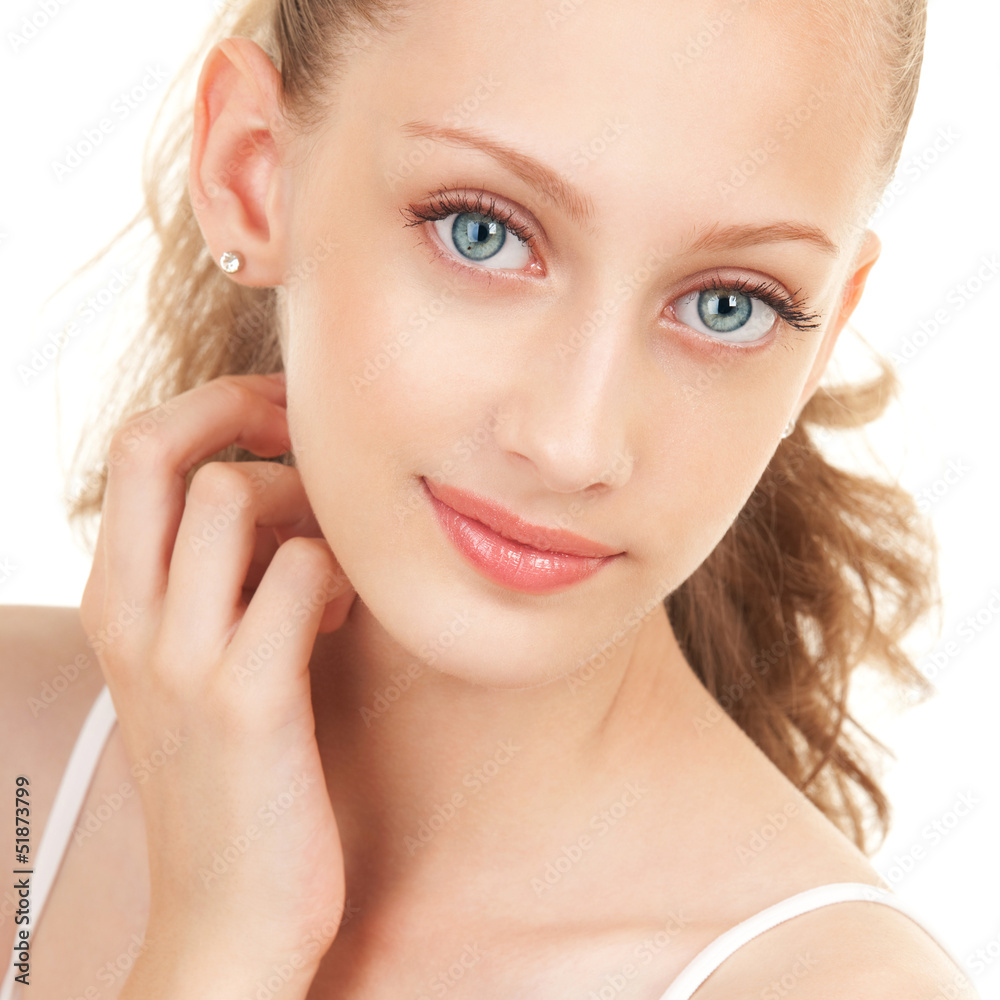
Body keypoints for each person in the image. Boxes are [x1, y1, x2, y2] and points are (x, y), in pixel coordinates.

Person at [0, 0, 984, 997]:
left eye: (727, 304)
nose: (572, 444)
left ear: (819, 342)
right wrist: (221, 928)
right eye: (481, 232)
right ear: (252, 171)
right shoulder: (19, 762)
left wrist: (220, 945)